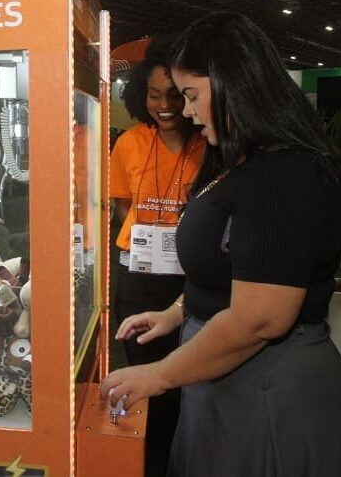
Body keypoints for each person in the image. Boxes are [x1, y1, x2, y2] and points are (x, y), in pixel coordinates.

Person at [101, 11, 341, 477]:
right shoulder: (241, 161)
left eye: (192, 95)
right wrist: (179, 311)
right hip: (230, 376)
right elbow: (230, 263)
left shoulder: (282, 174)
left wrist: (158, 374)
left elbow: (260, 319)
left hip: (267, 387)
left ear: (232, 85)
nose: (187, 111)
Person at [109, 34, 205, 475]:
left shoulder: (208, 143)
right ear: (139, 95)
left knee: (190, 376)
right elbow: (123, 207)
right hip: (140, 276)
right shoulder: (129, 143)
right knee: (145, 377)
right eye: (153, 95)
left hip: (191, 275)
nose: (164, 105)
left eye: (174, 95)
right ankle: (150, 459)